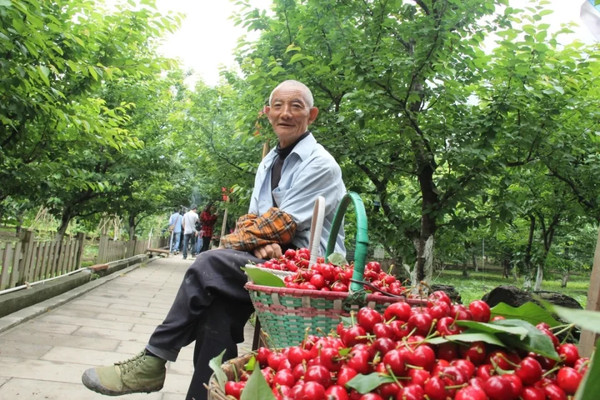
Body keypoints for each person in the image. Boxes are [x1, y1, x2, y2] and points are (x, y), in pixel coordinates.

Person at [81, 80, 347, 400]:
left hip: (311, 269)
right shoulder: (268, 162)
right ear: (267, 112)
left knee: (208, 262)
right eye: (277, 106)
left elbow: (282, 224)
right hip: (273, 259)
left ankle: (154, 358)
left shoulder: (321, 164)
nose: (285, 113)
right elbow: (255, 222)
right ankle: (199, 394)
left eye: (296, 106)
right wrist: (259, 237)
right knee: (215, 312)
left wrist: (248, 238)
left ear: (312, 114)